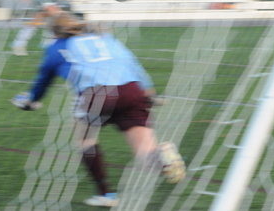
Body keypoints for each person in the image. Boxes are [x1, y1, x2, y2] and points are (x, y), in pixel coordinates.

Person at [11, 12, 186, 207]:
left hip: (96, 94)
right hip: (131, 90)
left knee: (86, 141)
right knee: (145, 152)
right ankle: (163, 157)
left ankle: (106, 195)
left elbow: (44, 79)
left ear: (54, 32)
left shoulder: (56, 48)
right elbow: (131, 61)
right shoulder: (104, 38)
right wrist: (148, 90)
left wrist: (31, 101)